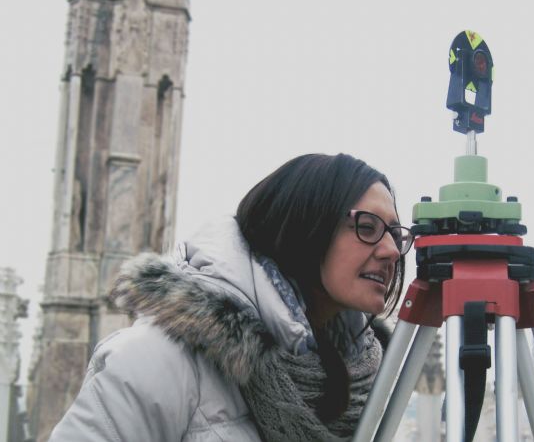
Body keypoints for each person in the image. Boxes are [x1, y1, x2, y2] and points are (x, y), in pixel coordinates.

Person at [49, 153, 414, 442]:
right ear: (305, 226)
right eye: (368, 228)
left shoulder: (362, 377)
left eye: (396, 234)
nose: (391, 251)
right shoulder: (158, 360)